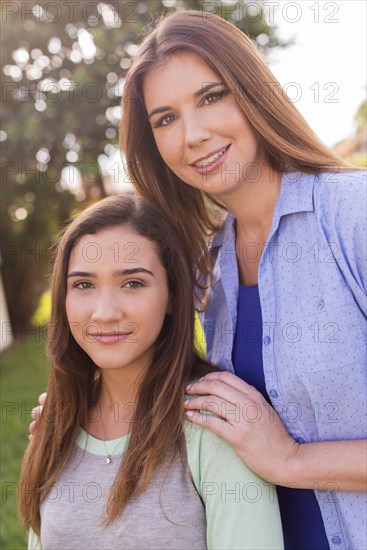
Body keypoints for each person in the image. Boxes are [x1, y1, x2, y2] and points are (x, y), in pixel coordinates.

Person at [30, 9, 366, 550]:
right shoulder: (211, 265)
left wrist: (290, 459)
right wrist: (83, 416)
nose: (193, 135)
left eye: (211, 97)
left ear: (253, 92)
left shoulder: (353, 214)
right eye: (165, 119)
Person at [19, 194, 283, 549]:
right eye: (83, 284)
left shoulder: (217, 425)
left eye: (133, 283)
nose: (104, 312)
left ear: (173, 294)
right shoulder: (53, 426)